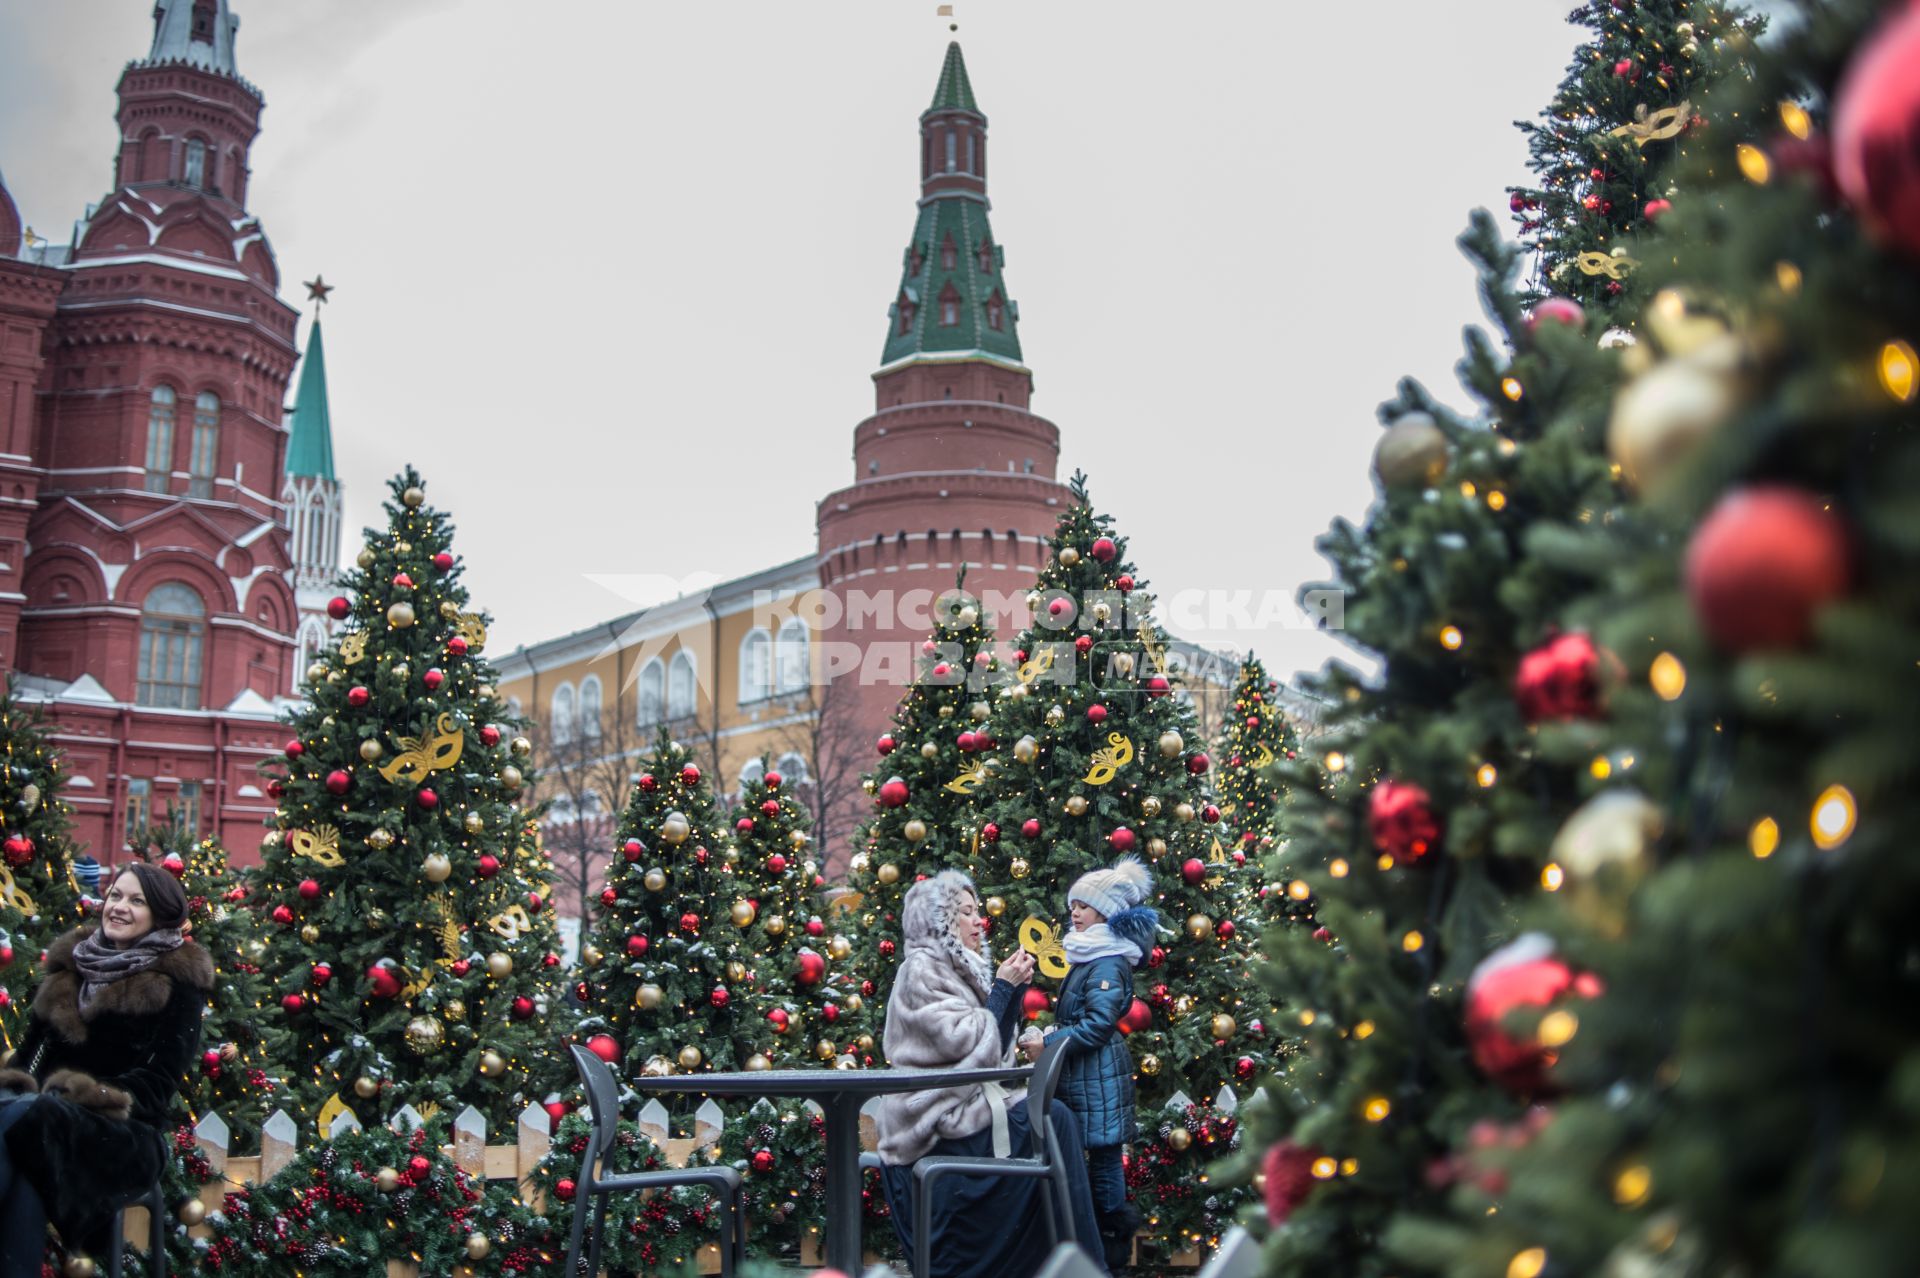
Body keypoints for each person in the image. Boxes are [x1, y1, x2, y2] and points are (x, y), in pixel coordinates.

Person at [874, 869, 1106, 1278]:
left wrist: (1012, 992)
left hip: (962, 1108)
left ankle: (1071, 1262)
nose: (979, 920)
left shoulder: (961, 969)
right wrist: (1002, 989)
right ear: (940, 923)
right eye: (965, 913)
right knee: (1055, 1121)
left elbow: (991, 1052)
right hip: (933, 1122)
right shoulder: (921, 971)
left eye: (977, 911)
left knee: (1056, 1120)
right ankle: (1084, 1265)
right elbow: (964, 1050)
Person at [0, 861, 213, 1275]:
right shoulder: (69, 969)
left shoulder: (179, 982)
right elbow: (26, 1063)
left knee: (35, 1120)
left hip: (123, 1134)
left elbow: (155, 1087)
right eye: (115, 895)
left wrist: (77, 1095)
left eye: (136, 901)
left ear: (161, 916)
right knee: (30, 1139)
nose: (119, 907)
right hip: (42, 1123)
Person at [1020, 856, 1159, 1272]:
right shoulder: (1091, 955)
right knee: (1092, 1158)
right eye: (1073, 906)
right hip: (1085, 1074)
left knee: (1103, 1160)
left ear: (1105, 911)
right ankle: (1089, 1248)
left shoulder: (1108, 961)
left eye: (1083, 905)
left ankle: (1108, 1253)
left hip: (1098, 1076)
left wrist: (1050, 1043)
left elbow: (1097, 1025)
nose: (1074, 913)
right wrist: (1050, 1035)